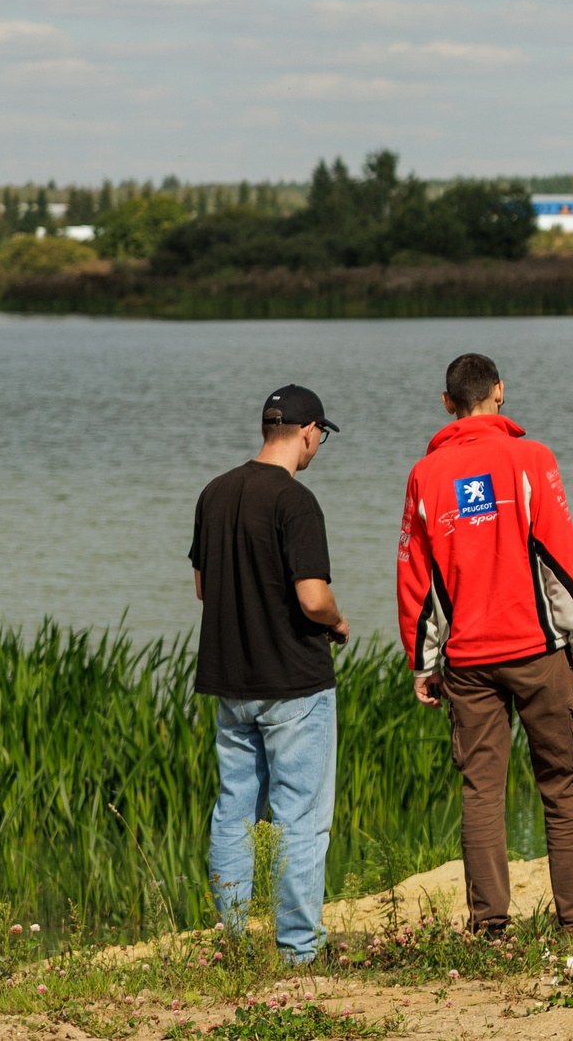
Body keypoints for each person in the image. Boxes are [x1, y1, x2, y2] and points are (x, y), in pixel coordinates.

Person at [396, 353, 573, 935]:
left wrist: (424, 661)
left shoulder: (425, 475)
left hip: (466, 661)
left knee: (481, 791)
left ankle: (489, 926)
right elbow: (560, 557)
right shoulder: (532, 459)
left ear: (446, 403)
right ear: (500, 392)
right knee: (561, 783)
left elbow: (416, 576)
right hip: (539, 653)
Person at [191, 384, 349, 963]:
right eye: (321, 436)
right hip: (294, 685)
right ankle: (299, 951)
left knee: (234, 808)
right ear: (308, 431)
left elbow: (205, 588)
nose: (317, 446)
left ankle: (232, 942)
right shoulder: (295, 501)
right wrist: (337, 621)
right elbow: (312, 598)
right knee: (299, 817)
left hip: (231, 682)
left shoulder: (215, 492)